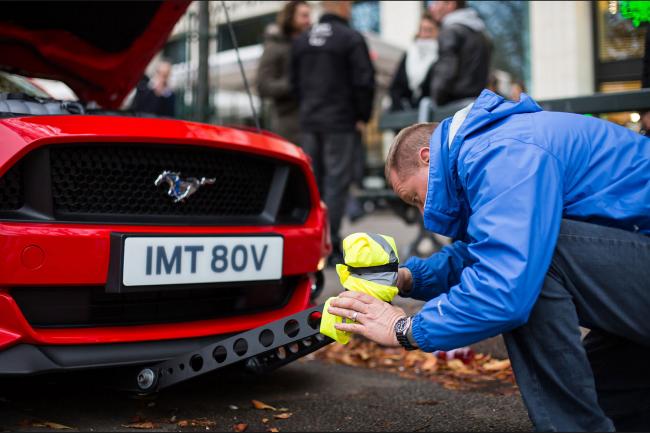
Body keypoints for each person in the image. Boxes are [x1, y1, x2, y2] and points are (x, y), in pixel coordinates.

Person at [327, 89, 650, 431]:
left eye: (415, 198)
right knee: (607, 398)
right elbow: (489, 249)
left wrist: (404, 328)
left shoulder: (501, 152)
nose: (422, 215)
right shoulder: (494, 144)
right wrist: (407, 279)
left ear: (426, 157)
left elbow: (505, 283)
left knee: (531, 268)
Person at [291, 0, 375, 265]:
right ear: (341, 7)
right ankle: (330, 241)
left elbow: (294, 83)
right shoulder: (350, 38)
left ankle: (310, 240)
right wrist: (362, 115)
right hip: (340, 121)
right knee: (336, 183)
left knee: (312, 183)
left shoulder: (303, 40)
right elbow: (364, 81)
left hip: (310, 120)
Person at [257, 1, 311, 145]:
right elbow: (263, 85)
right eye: (304, 16)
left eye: (309, 16)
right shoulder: (274, 46)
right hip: (288, 127)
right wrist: (294, 84)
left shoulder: (310, 44)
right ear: (290, 17)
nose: (308, 21)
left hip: (314, 124)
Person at [428, 0, 490, 106]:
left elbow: (446, 71)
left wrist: (437, 99)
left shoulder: (450, 31)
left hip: (453, 106)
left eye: (436, 3)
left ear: (450, 4)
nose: (431, 8)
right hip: (476, 103)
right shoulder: (481, 33)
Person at [388, 13, 438, 111]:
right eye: (422, 29)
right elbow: (395, 87)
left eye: (429, 30)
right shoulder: (410, 54)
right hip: (406, 114)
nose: (425, 34)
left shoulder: (440, 56)